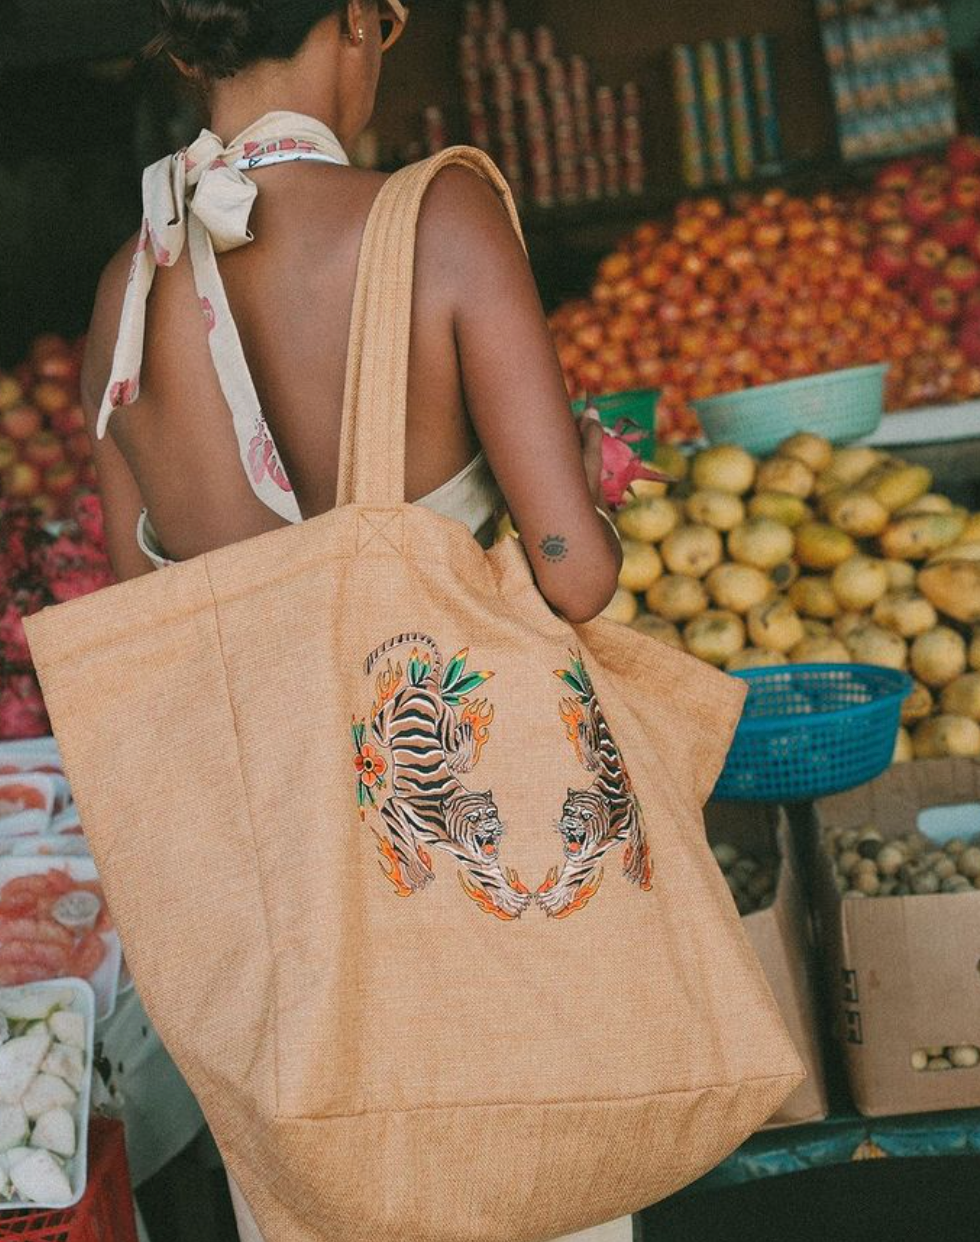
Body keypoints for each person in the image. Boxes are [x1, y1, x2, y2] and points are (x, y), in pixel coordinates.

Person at [81, 2, 629, 1239]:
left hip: (283, 917)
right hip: (477, 861)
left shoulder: (127, 288)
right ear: (360, 21)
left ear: (184, 53)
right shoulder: (435, 220)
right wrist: (576, 476)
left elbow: (147, 620)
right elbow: (572, 575)